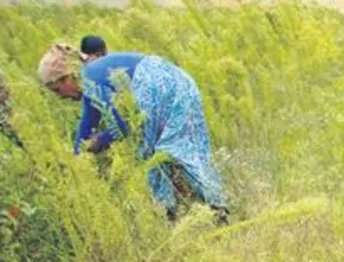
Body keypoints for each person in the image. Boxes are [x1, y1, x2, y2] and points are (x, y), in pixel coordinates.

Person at [36, 43, 228, 220]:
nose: (61, 97)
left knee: (157, 158)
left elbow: (120, 127)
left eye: (58, 90)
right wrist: (76, 160)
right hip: (180, 83)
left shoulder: (89, 79)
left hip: (160, 89)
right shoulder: (92, 78)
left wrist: (98, 142)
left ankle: (191, 215)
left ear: (68, 77)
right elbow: (84, 131)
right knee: (181, 153)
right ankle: (208, 211)